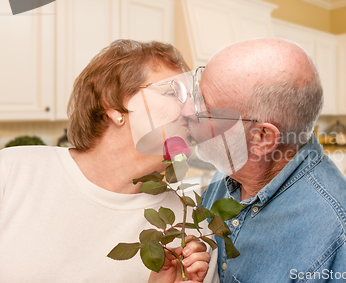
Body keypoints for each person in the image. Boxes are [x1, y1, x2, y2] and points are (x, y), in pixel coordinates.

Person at [183, 37, 346, 282]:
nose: (186, 110)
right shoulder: (229, 172)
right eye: (195, 92)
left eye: (204, 106)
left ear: (262, 137)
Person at [0, 40, 217, 283]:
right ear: (114, 106)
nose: (192, 111)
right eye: (172, 93)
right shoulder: (10, 172)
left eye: (193, 99)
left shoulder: (192, 231)